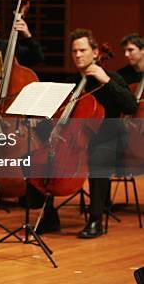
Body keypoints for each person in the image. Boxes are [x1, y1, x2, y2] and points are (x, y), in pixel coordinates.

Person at [35, 29, 137, 238]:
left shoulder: (111, 77)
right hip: (75, 141)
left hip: (108, 140)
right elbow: (56, 116)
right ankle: (49, 215)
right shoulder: (70, 82)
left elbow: (130, 106)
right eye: (74, 51)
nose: (78, 55)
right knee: (35, 156)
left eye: (83, 50)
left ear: (95, 51)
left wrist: (105, 81)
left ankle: (95, 220)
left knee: (99, 157)